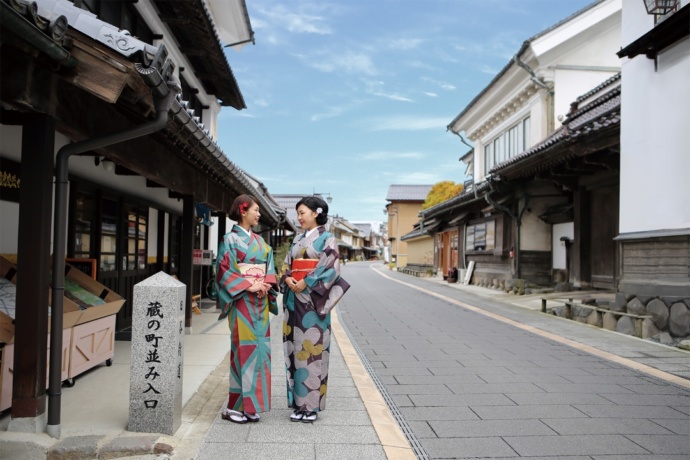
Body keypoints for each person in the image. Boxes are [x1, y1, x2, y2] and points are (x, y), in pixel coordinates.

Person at [280, 196, 350, 423]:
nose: (299, 217)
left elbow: (331, 269)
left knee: (312, 350)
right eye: (298, 213)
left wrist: (307, 282)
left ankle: (310, 407)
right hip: (293, 301)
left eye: (302, 213)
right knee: (294, 349)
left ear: (316, 213)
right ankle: (298, 404)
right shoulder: (298, 239)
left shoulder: (327, 239)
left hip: (312, 303)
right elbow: (287, 265)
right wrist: (288, 278)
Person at [215, 194, 278, 424]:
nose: (259, 214)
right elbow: (224, 271)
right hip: (242, 301)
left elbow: (269, 266)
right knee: (243, 352)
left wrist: (266, 284)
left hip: (260, 302)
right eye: (256, 209)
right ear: (243, 211)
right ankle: (235, 407)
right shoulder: (229, 240)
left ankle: (253, 406)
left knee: (260, 351)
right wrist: (251, 285)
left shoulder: (261, 243)